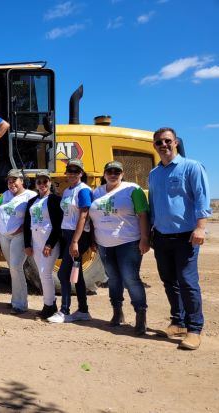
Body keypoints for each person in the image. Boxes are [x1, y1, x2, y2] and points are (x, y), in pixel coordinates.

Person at [149, 127, 211, 350]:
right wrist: (150, 233)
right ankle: (178, 321)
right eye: (158, 142)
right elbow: (153, 205)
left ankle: (195, 328)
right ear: (154, 146)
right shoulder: (154, 174)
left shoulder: (191, 167)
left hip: (186, 236)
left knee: (187, 281)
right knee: (169, 281)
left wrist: (201, 228)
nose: (163, 145)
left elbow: (202, 199)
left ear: (175, 142)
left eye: (167, 141)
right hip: (162, 237)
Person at [89, 161, 150, 335]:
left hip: (128, 242)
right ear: (104, 173)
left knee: (130, 278)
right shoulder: (97, 192)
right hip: (104, 243)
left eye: (117, 171)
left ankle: (140, 316)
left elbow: (143, 214)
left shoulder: (133, 190)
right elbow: (92, 217)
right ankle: (117, 312)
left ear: (122, 174)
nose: (113, 174)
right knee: (113, 279)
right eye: (110, 171)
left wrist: (145, 239)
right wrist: (93, 238)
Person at [48, 159, 93, 324]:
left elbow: (83, 216)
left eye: (76, 170)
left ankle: (65, 311)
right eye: (70, 170)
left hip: (78, 236)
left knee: (63, 273)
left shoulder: (84, 191)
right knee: (77, 274)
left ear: (81, 173)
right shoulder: (67, 191)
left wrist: (75, 241)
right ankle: (83, 310)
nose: (72, 173)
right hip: (67, 235)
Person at [23, 171, 63, 320]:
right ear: (36, 185)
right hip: (36, 243)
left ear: (50, 182)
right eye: (39, 182)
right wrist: (27, 244)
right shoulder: (32, 202)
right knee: (42, 274)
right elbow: (27, 224)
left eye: (45, 181)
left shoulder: (54, 200)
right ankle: (50, 304)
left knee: (45, 273)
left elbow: (58, 225)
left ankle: (49, 306)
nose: (42, 184)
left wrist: (50, 244)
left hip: (48, 243)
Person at [0, 169, 37, 314]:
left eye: (15, 180)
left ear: (22, 181)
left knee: (16, 266)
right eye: (9, 180)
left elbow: (35, 216)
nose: (11, 183)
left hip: (19, 236)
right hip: (4, 236)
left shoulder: (30, 196)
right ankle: (15, 300)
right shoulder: (5, 195)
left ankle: (21, 304)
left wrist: (22, 229)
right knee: (12, 269)